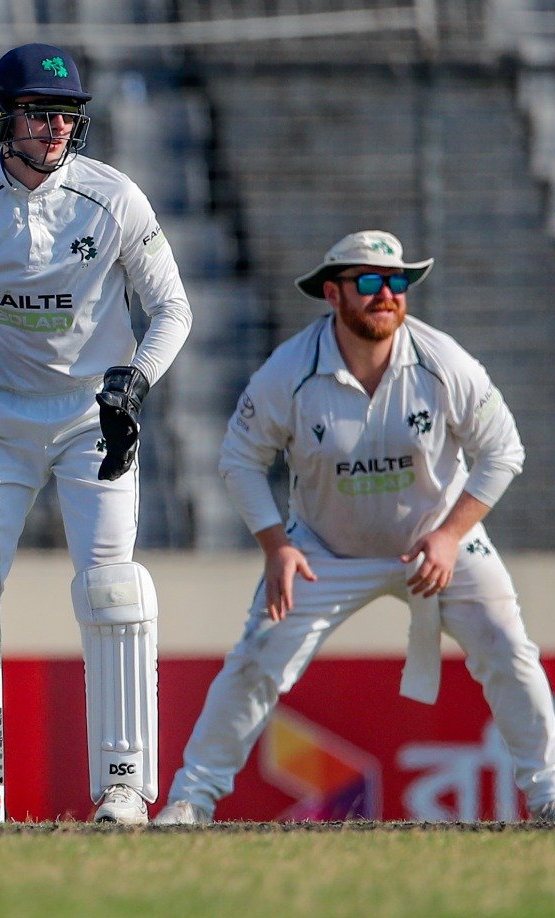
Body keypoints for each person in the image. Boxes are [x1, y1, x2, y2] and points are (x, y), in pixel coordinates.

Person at [154, 230, 555, 826]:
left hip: (438, 543)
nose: (386, 294)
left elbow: (504, 451)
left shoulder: (444, 362)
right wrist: (276, 545)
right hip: (324, 550)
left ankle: (548, 796)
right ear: (333, 294)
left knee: (508, 647)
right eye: (369, 282)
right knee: (257, 659)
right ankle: (191, 800)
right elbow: (239, 458)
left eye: (397, 282)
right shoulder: (289, 370)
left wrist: (450, 535)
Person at [0, 43, 192, 824]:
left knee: (112, 590)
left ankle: (124, 786)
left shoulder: (115, 199)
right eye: (39, 114)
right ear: (0, 119)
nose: (55, 129)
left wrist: (134, 382)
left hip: (90, 419)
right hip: (0, 423)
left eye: (67, 115)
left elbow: (173, 310)